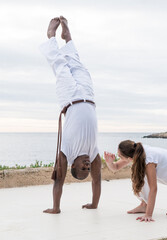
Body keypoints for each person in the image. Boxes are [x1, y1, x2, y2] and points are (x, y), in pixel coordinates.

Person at [39, 16, 101, 214]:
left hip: (70, 99)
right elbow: (97, 180)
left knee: (60, 65)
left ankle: (51, 37)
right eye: (87, 169)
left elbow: (58, 181)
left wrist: (56, 207)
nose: (87, 167)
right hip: (88, 97)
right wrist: (94, 204)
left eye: (82, 168)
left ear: (73, 165)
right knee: (79, 66)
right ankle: (68, 38)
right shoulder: (93, 154)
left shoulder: (66, 152)